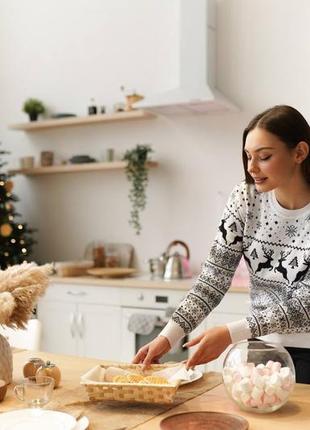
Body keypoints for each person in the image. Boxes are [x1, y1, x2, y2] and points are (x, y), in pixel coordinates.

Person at [133, 105, 310, 384]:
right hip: (263, 350)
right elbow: (212, 279)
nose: (251, 167)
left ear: (299, 152)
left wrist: (231, 333)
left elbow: (306, 303)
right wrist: (169, 335)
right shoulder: (246, 198)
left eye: (264, 157)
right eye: (248, 156)